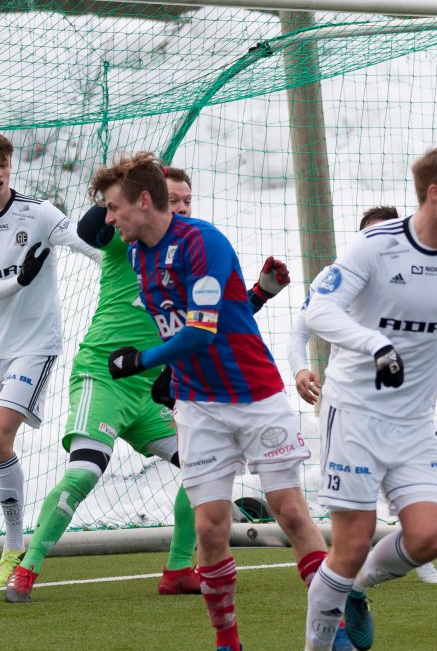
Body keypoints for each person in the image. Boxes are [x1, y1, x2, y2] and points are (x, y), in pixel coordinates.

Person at [5, 166, 293, 603]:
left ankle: (178, 569)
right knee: (84, 472)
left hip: (151, 385)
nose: (179, 207)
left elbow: (210, 325)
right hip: (104, 375)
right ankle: (25, 569)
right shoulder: (127, 241)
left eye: (186, 201)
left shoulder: (192, 252)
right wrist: (123, 181)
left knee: (204, 468)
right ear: (149, 199)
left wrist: (261, 293)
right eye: (172, 198)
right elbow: (89, 227)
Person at [90, 153, 328, 651]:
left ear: (144, 201)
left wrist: (144, 361)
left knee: (290, 513)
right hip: (199, 404)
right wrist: (170, 374)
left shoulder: (205, 242)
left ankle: (340, 622)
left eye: (115, 208)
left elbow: (201, 330)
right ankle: (228, 643)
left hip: (255, 394)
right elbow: (183, 320)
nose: (110, 220)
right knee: (209, 527)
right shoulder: (136, 255)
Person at [301, 147, 437, 651]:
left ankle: (355, 591)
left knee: (430, 535)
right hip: (356, 415)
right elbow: (318, 309)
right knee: (351, 543)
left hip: (414, 425)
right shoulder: (375, 245)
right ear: (434, 192)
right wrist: (376, 345)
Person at [288, 203, 437, 587]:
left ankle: (411, 551)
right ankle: (344, 586)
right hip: (350, 406)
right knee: (354, 515)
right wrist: (299, 368)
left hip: (407, 404)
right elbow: (301, 330)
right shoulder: (344, 278)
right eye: (373, 235)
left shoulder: (418, 278)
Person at [0, 133, 101, 586]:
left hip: (34, 344)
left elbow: (86, 244)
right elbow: (14, 282)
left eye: (2, 164)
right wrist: (18, 282)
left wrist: (126, 263)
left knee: (0, 430)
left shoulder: (37, 213)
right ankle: (16, 542)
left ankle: (13, 546)